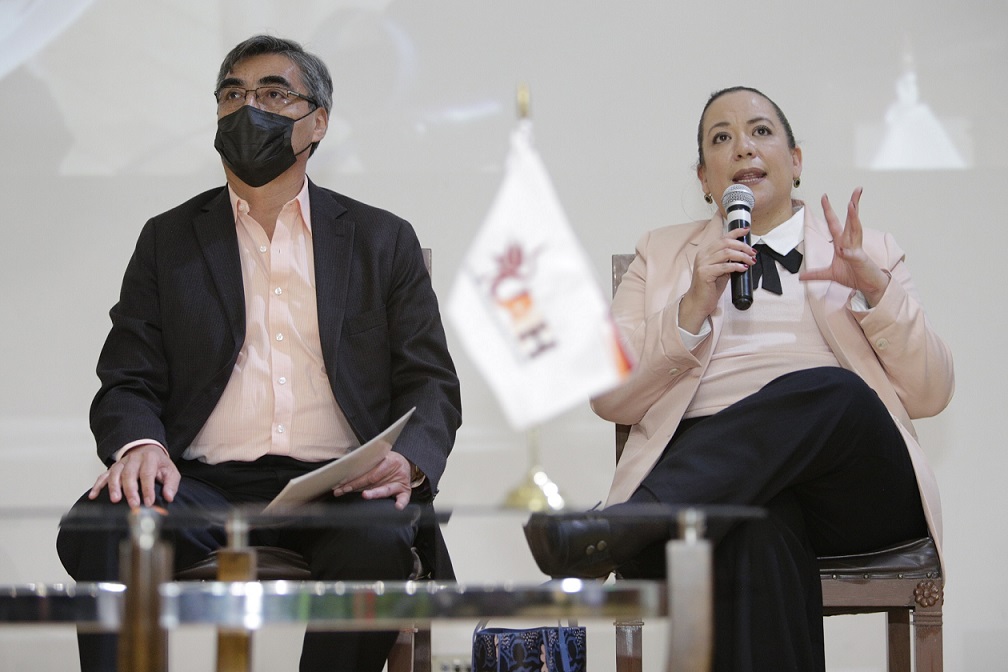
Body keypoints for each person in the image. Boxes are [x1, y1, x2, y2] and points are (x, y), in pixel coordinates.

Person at [56, 34, 462, 672]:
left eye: (274, 95)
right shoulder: (168, 240)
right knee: (103, 525)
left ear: (317, 122)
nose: (249, 109)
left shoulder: (380, 240)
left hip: (339, 485)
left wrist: (407, 461)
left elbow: (430, 382)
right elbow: (127, 376)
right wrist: (141, 445)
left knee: (380, 539)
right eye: (233, 95)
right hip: (201, 485)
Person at [523, 86, 953, 671]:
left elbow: (931, 392)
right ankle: (647, 518)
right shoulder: (662, 255)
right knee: (757, 525)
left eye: (760, 131)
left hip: (851, 488)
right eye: (721, 138)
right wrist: (690, 307)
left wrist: (876, 294)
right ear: (705, 178)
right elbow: (609, 397)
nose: (743, 147)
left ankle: (625, 525)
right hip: (711, 496)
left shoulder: (868, 251)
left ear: (795, 161)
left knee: (836, 392)